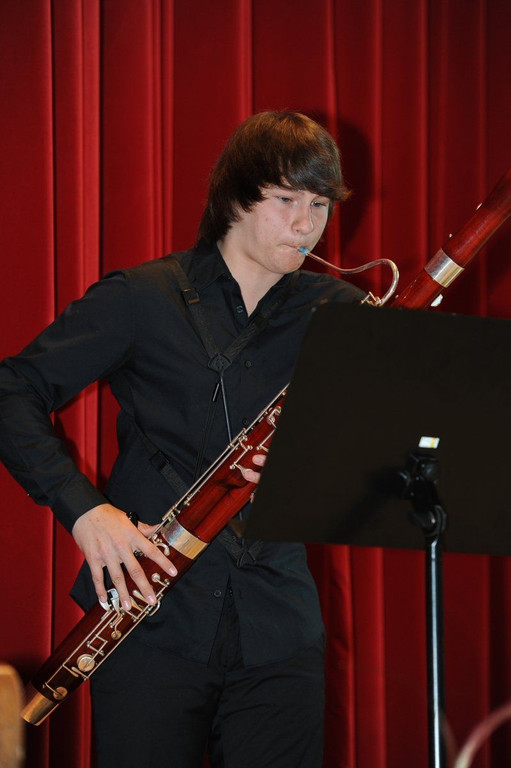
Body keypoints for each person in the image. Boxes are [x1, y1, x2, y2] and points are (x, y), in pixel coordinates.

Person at [0, 111, 364, 767]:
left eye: (319, 205)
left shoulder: (338, 313)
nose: (306, 225)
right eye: (286, 200)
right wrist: (85, 512)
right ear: (235, 199)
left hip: (279, 626)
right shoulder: (142, 298)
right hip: (152, 623)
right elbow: (11, 391)